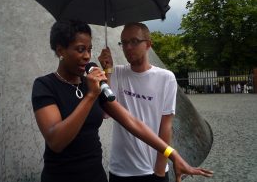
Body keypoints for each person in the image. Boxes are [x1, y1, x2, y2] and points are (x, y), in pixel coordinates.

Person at [31, 20, 213, 182]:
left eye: (89, 49)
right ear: (60, 50)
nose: (87, 56)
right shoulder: (45, 86)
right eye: (80, 49)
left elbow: (131, 121)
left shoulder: (91, 85)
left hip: (95, 175)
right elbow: (56, 141)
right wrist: (90, 96)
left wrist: (171, 154)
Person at [99, 22, 177, 182]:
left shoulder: (166, 78)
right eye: (124, 42)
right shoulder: (116, 72)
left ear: (148, 44)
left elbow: (166, 126)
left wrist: (160, 171)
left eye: (134, 41)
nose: (128, 47)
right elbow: (105, 113)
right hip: (120, 170)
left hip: (153, 170)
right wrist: (108, 70)